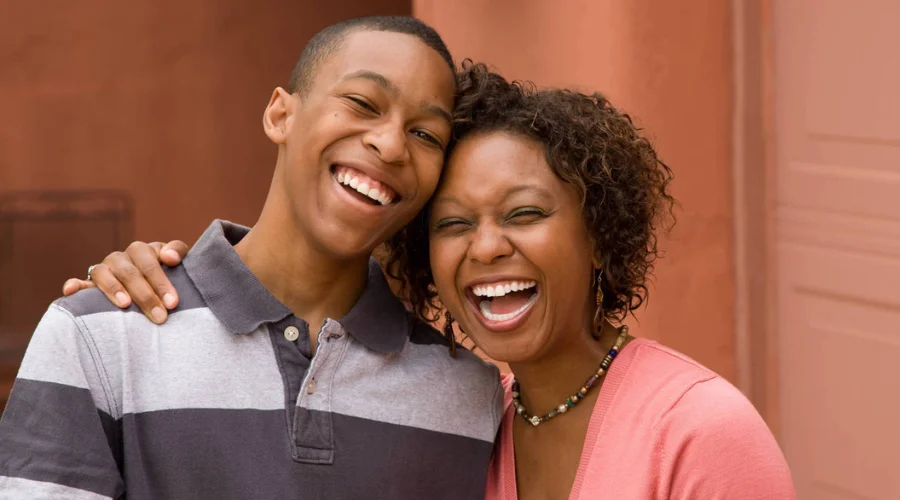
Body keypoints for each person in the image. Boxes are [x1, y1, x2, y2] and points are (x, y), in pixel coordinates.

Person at [73, 62, 797, 499]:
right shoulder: (466, 414)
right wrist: (166, 280)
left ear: (599, 236)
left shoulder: (700, 431)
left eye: (524, 213)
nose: (486, 247)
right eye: (453, 225)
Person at [0, 17, 504, 500]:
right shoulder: (97, 337)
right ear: (280, 115)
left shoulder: (471, 398)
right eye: (362, 102)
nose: (391, 144)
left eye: (425, 135)